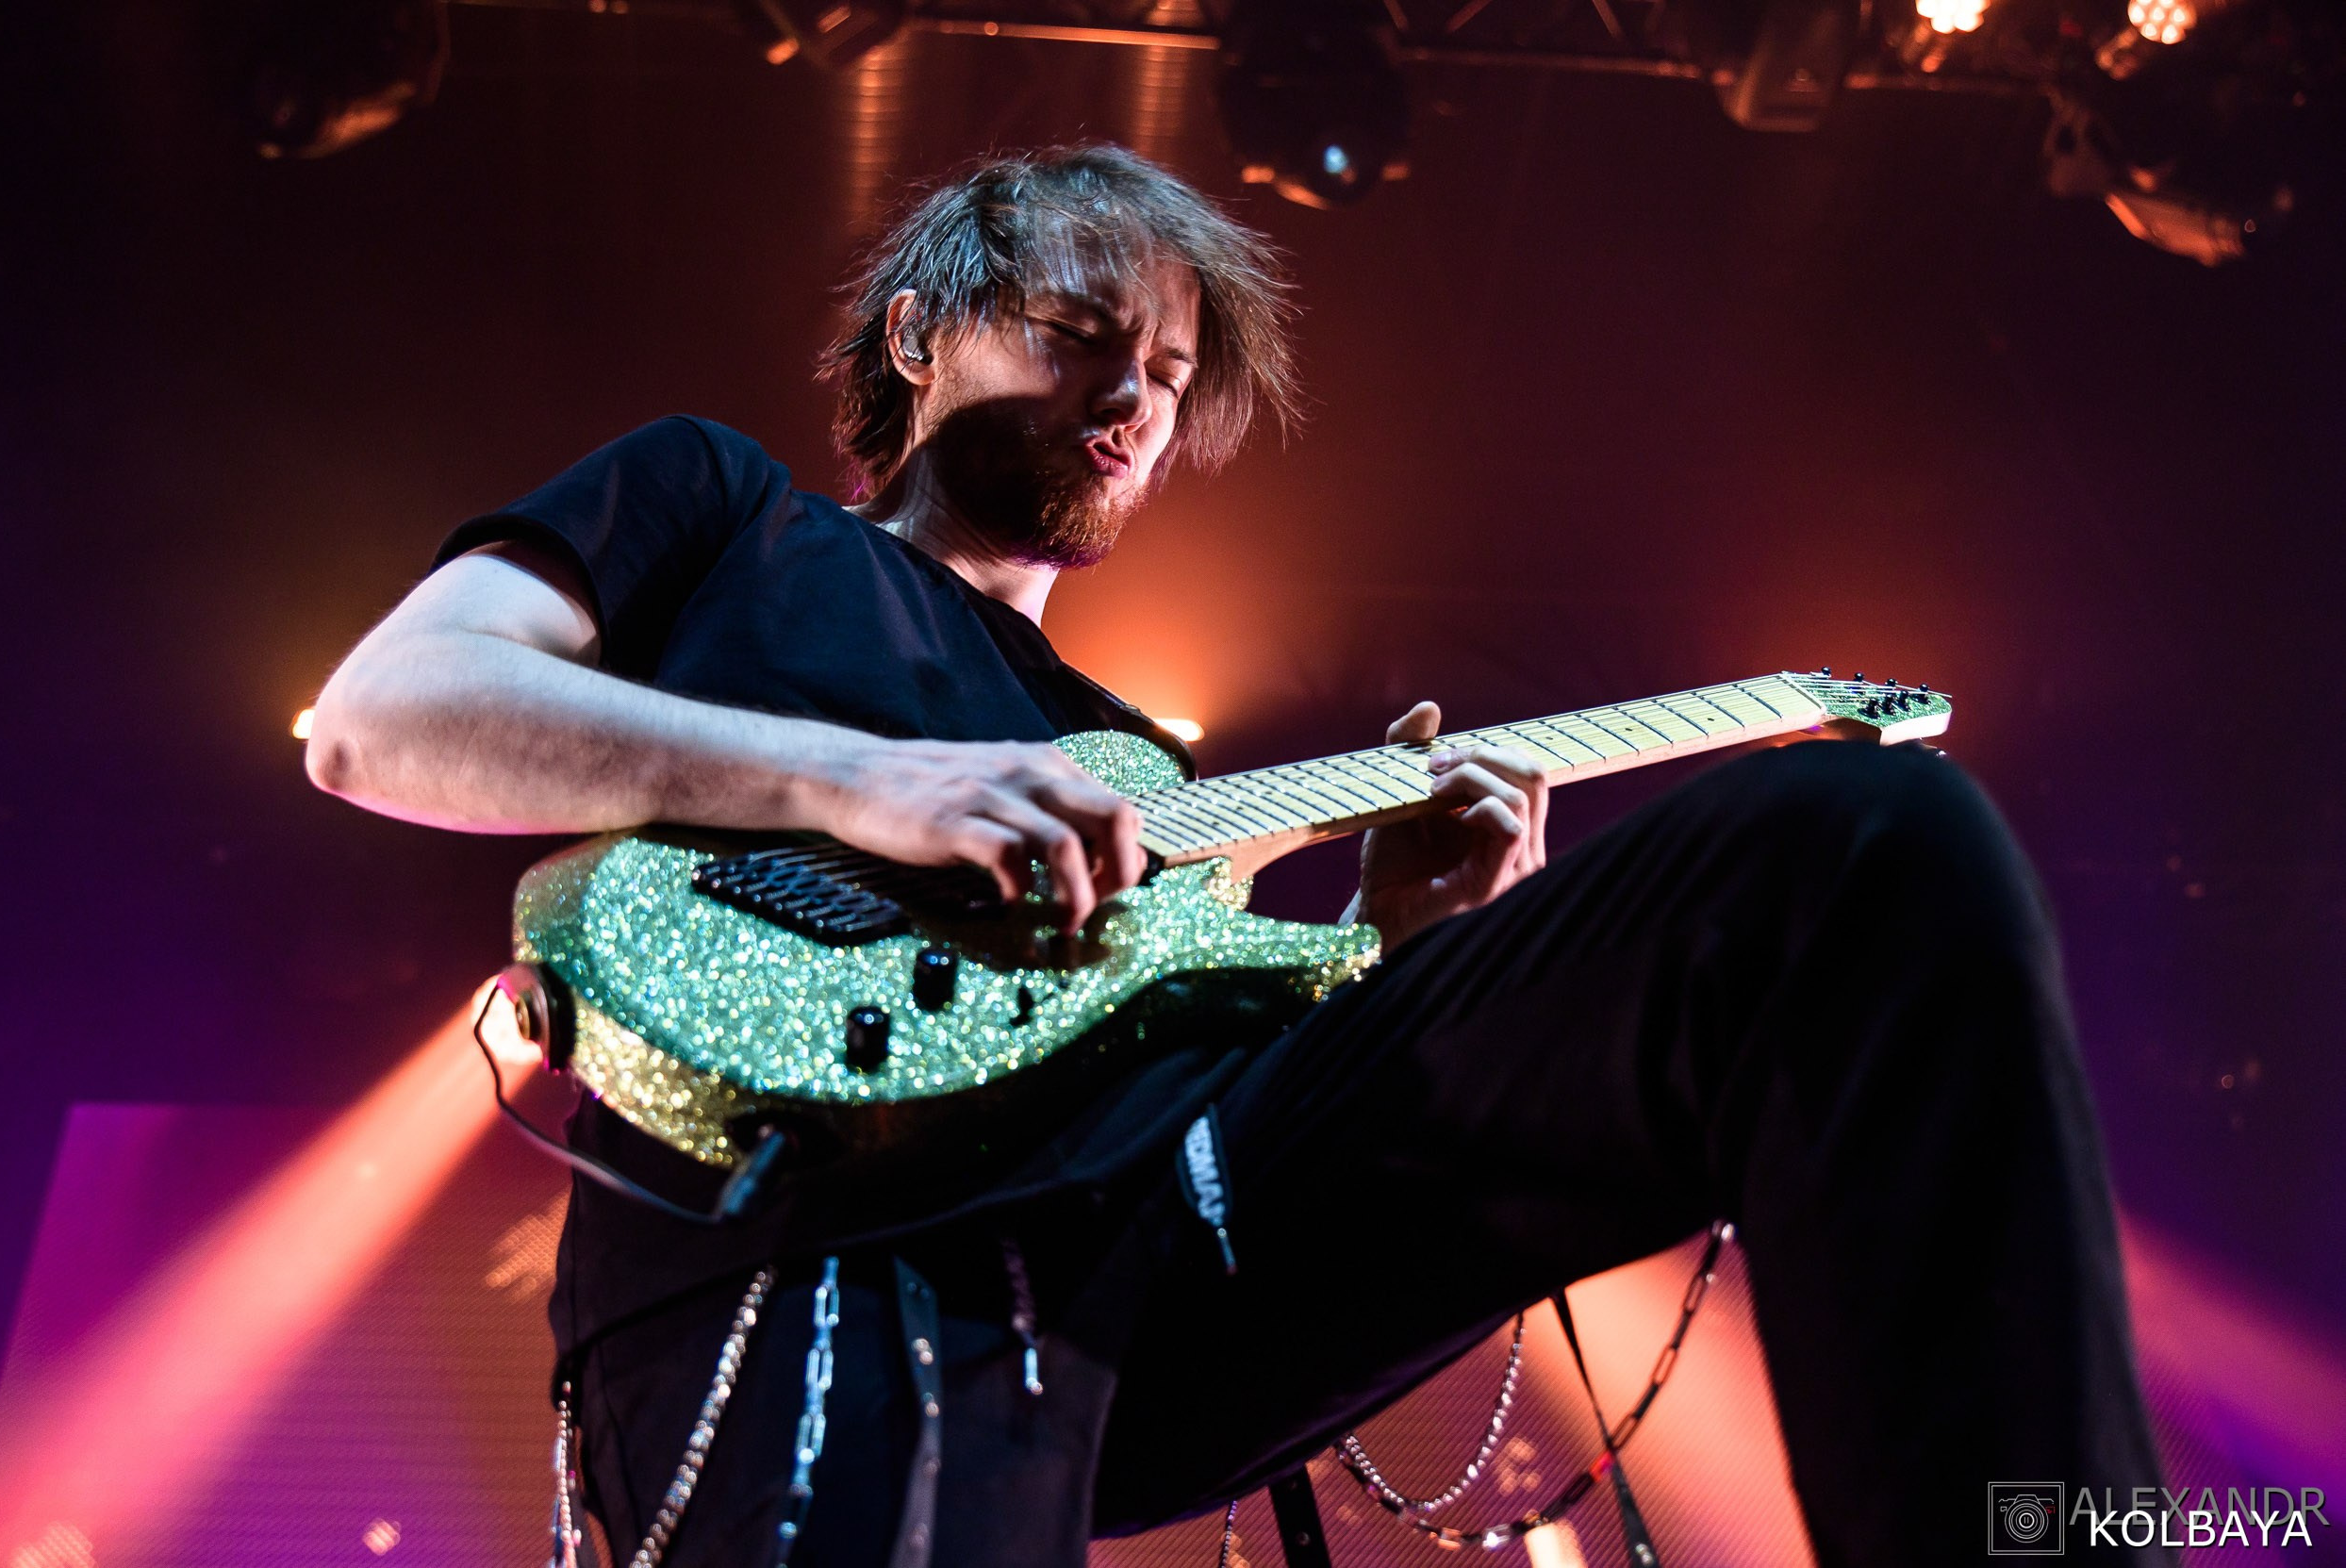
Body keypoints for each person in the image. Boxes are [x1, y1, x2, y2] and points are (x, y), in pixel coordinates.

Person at [305, 143, 2171, 1566]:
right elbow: (379, 718)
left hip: (1158, 1231)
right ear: (913, 335)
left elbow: (1211, 1038)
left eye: (1168, 369)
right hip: (820, 1239)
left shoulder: (1131, 762)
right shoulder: (724, 508)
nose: (1134, 393)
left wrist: (1397, 945)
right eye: (1077, 334)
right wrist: (855, 785)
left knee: (1855, 846)